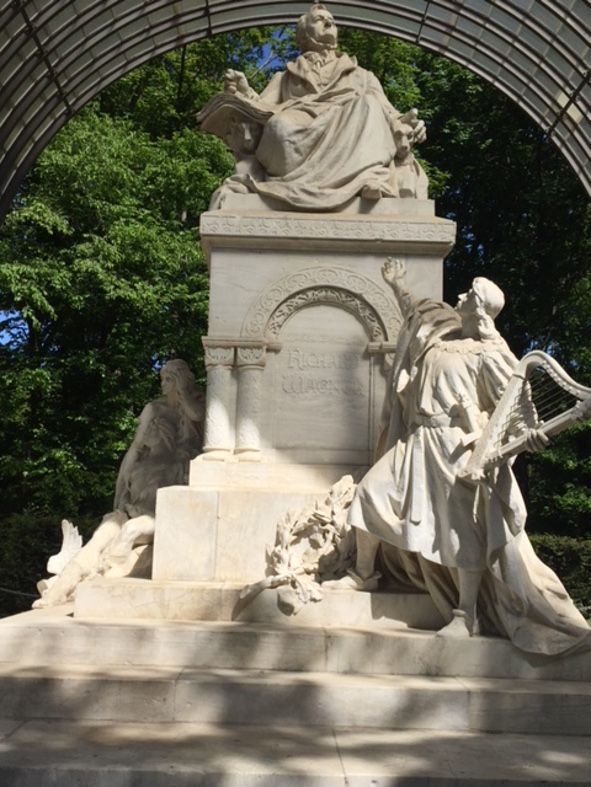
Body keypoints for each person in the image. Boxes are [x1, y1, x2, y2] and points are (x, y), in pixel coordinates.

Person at [326, 260, 590, 656]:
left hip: (456, 447)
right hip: (417, 440)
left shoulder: (489, 353)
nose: (461, 295)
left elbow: (516, 407)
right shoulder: (441, 336)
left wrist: (524, 439)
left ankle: (465, 616)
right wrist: (396, 285)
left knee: (460, 532)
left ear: (480, 310)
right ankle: (364, 573)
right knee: (370, 496)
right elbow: (418, 317)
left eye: (469, 294)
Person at [199, 3, 428, 211]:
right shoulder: (285, 76)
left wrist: (409, 125)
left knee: (367, 103)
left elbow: (391, 114)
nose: (329, 23)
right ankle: (347, 178)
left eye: (332, 21)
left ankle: (367, 178)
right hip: (300, 130)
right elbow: (263, 109)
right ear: (305, 33)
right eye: (320, 20)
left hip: (347, 129)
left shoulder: (362, 75)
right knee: (279, 125)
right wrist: (245, 91)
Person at [33, 360, 205, 607]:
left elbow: (197, 415)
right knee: (100, 538)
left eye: (169, 380)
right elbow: (133, 451)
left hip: (164, 508)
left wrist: (182, 393)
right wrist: (120, 492)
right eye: (163, 380)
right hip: (139, 501)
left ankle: (84, 584)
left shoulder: (195, 411)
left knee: (127, 533)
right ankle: (58, 590)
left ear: (180, 380)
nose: (164, 385)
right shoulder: (153, 413)